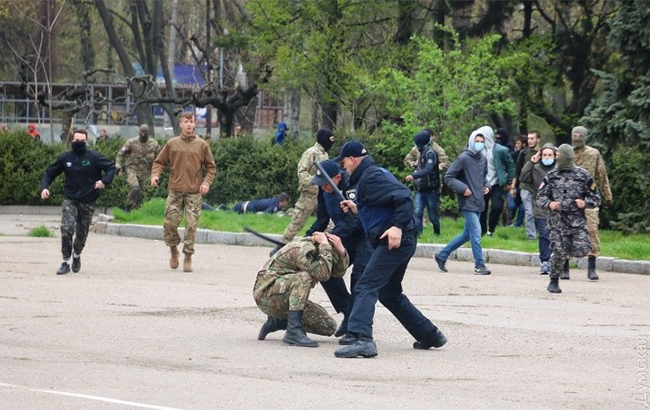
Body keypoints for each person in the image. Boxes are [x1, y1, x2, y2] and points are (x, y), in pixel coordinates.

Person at [332, 141, 447, 359]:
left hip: (394, 240)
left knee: (366, 284)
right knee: (389, 292)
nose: (343, 166)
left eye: (344, 161)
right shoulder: (369, 177)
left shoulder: (371, 176)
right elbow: (384, 203)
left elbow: (404, 197)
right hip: (399, 240)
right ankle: (430, 335)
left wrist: (397, 226)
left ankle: (362, 339)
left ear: (353, 159)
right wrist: (358, 208)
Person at [306, 159, 370, 341]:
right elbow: (322, 219)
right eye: (321, 184)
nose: (324, 187)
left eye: (326, 184)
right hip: (342, 238)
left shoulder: (352, 190)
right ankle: (347, 310)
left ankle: (356, 326)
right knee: (324, 270)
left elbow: (355, 223)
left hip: (362, 240)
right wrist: (308, 235)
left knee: (358, 279)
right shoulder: (324, 191)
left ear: (338, 178)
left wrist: (330, 236)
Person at [40, 129, 116, 275]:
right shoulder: (65, 158)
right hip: (70, 199)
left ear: (86, 142)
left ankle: (77, 255)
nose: (79, 143)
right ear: (72, 141)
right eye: (76, 141)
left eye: (82, 141)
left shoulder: (94, 157)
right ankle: (65, 261)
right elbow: (49, 173)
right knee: (66, 229)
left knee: (82, 234)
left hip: (88, 200)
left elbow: (111, 168)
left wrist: (104, 182)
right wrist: (44, 188)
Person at [254, 232, 349, 347]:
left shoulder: (324, 249)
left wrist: (341, 250)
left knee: (328, 326)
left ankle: (280, 321)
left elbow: (338, 273)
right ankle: (293, 332)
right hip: (266, 296)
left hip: (285, 297)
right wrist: (325, 245)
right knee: (304, 277)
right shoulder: (303, 249)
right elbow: (323, 275)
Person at [151, 112, 216, 273]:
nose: (188, 124)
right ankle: (174, 249)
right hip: (175, 190)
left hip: (194, 192)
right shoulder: (172, 144)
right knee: (170, 224)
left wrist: (206, 182)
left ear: (194, 124)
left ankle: (188, 256)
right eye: (185, 121)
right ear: (180, 124)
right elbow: (159, 162)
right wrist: (155, 175)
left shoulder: (202, 145)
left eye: (191, 122)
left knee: (191, 225)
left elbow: (211, 167)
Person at [537, 144, 601, 293]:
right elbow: (540, 197)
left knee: (581, 249)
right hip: (557, 222)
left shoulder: (583, 175)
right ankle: (554, 281)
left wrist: (585, 203)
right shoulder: (551, 176)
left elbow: (596, 197)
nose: (557, 158)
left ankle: (568, 250)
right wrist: (549, 203)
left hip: (576, 222)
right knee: (559, 252)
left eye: (559, 156)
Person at [434, 126, 492, 275]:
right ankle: (479, 265)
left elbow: (484, 177)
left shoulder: (483, 159)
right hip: (467, 202)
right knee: (477, 232)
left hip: (479, 201)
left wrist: (487, 186)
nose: (479, 143)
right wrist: (463, 188)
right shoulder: (463, 158)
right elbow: (449, 177)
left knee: (468, 234)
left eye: (482, 141)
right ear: (471, 141)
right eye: (477, 141)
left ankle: (442, 255)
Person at [272, 128, 335, 255]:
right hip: (309, 195)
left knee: (329, 222)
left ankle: (318, 246)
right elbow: (302, 171)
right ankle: (281, 248)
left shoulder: (325, 155)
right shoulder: (311, 153)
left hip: (323, 195)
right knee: (298, 221)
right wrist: (314, 182)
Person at [571, 126, 613, 281]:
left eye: (579, 135)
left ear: (585, 137)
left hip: (589, 199)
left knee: (592, 231)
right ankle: (564, 267)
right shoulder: (567, 153)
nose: (576, 138)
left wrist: (607, 197)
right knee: (567, 231)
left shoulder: (593, 154)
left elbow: (602, 176)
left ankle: (591, 266)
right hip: (569, 199)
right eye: (574, 135)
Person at [520, 143, 557, 275]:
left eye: (550, 155)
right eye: (545, 155)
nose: (547, 157)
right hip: (541, 206)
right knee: (544, 234)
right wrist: (530, 162)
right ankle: (545, 261)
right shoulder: (536, 169)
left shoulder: (559, 169)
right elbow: (523, 178)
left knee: (556, 235)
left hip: (557, 207)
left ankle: (555, 260)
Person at [115, 124, 161, 211]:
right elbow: (120, 154)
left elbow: (160, 158)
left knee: (140, 194)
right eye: (141, 133)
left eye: (144, 134)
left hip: (145, 172)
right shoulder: (131, 142)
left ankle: (135, 212)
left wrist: (157, 172)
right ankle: (128, 206)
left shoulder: (154, 144)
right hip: (132, 169)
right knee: (135, 187)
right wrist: (118, 166)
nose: (142, 135)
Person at [479, 128, 515, 237]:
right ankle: (482, 231)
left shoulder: (501, 150)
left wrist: (509, 182)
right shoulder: (477, 150)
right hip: (482, 184)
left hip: (497, 184)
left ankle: (491, 230)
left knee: (497, 207)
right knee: (482, 208)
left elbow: (511, 166)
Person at [404, 131, 441, 235]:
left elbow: (428, 169)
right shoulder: (420, 152)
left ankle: (437, 232)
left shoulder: (430, 153)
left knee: (433, 215)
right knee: (418, 212)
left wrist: (414, 175)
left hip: (431, 189)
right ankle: (418, 233)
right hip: (419, 188)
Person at [512, 131, 542, 240]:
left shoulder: (544, 153)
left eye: (532, 138)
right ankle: (531, 237)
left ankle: (541, 233)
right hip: (525, 186)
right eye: (528, 138)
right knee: (529, 212)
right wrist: (513, 186)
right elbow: (517, 170)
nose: (529, 141)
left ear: (538, 140)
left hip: (539, 188)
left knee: (538, 213)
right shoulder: (523, 153)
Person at [507, 135, 527, 227]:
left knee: (522, 208)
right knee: (512, 205)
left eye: (519, 143)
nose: (517, 145)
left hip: (524, 184)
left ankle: (517, 225)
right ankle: (509, 220)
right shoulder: (513, 155)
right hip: (515, 183)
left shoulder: (527, 156)